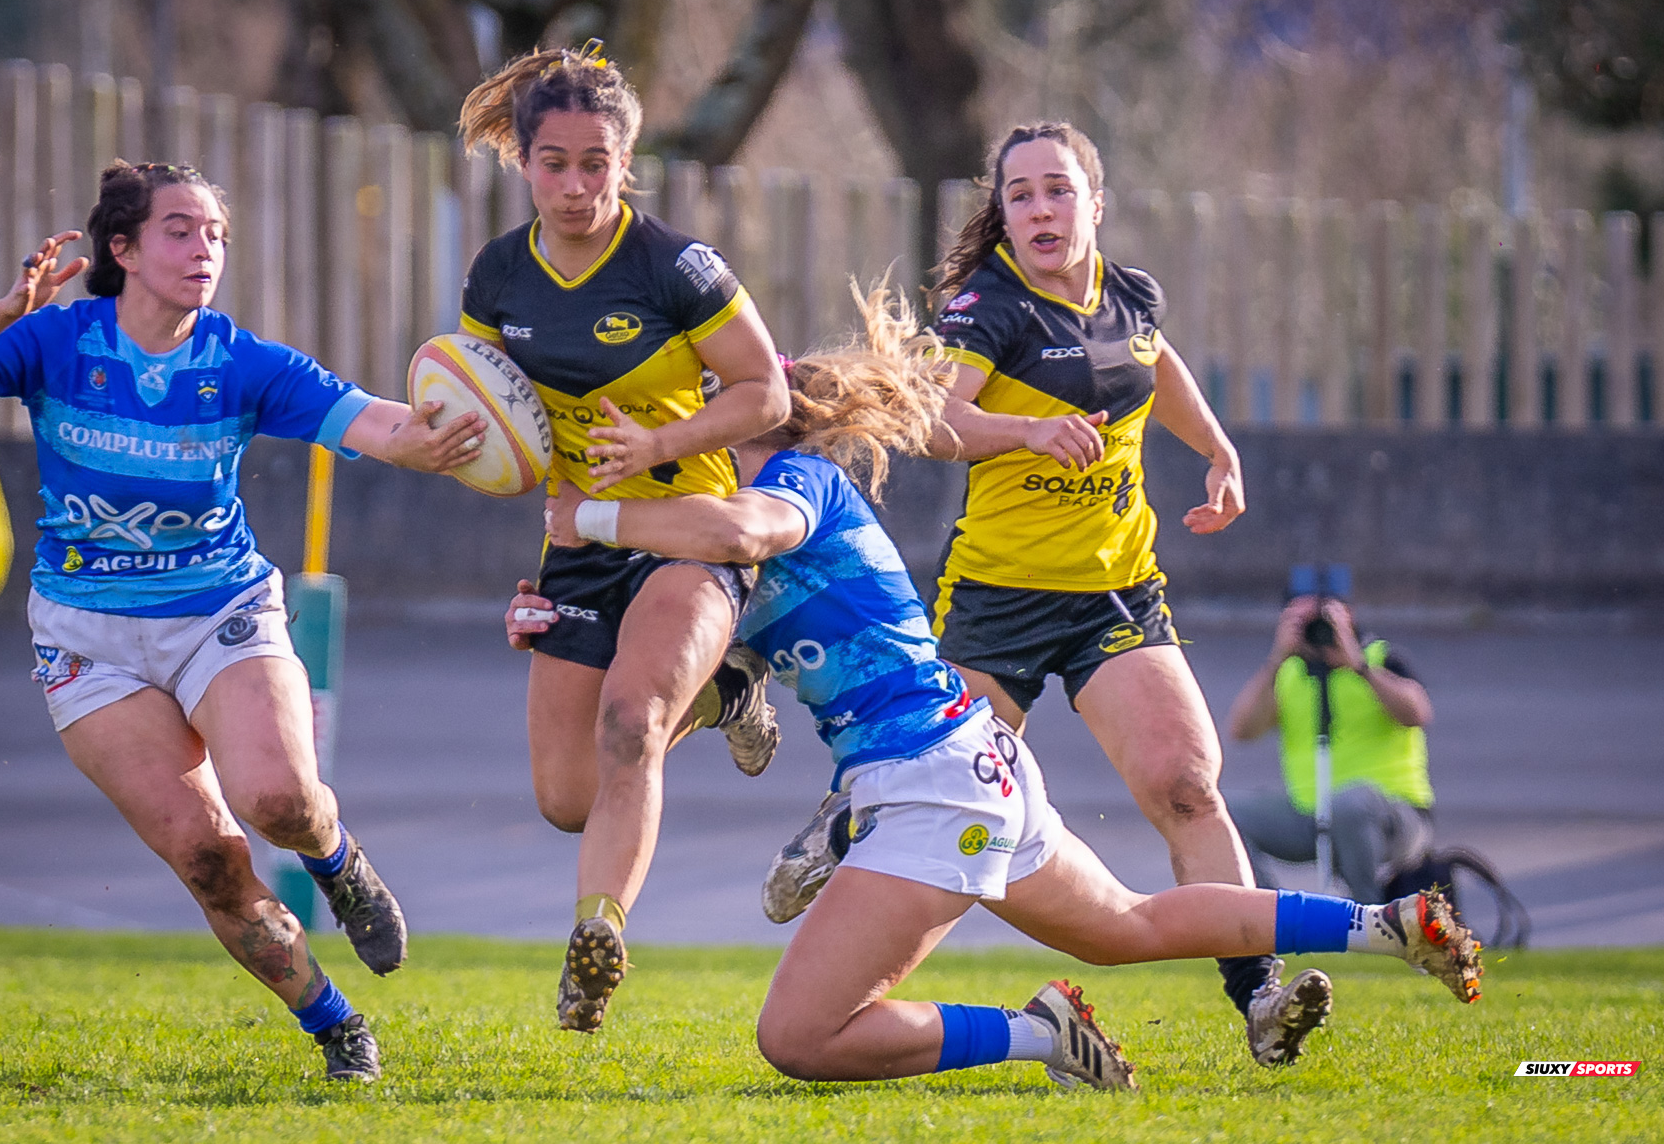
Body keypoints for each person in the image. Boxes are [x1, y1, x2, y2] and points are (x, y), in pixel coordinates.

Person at [510, 292, 1482, 1088]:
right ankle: (1387, 923)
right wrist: (560, 629)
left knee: (798, 1034)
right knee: (1130, 925)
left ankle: (1038, 1033)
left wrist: (590, 517)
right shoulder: (725, 517)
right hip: (970, 760)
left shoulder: (798, 483)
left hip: (933, 784)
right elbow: (672, 693)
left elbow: (738, 533)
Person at [0, 161, 484, 1082]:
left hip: (220, 612)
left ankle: (337, 859)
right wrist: (9, 307)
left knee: (279, 803)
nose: (204, 249)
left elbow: (377, 426)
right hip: (88, 640)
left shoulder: (241, 360)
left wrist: (443, 439)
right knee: (211, 859)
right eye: (180, 229)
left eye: (215, 232)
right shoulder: (54, 342)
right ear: (123, 249)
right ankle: (337, 1027)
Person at [919, 120, 1318, 1065]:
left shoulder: (1129, 294)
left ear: (1095, 201)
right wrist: (1027, 434)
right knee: (943, 810)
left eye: (1058, 189)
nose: (1040, 208)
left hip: (1117, 595)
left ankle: (1259, 993)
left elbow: (1155, 361)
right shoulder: (989, 308)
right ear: (1003, 213)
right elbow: (934, 421)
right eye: (1020, 195)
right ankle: (843, 852)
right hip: (998, 595)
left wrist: (1217, 449)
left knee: (1188, 786)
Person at [455, 42, 791, 1032]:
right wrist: (453, 442)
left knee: (632, 722)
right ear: (522, 159)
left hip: (690, 528)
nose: (573, 184)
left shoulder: (674, 265)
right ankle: (730, 686)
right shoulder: (496, 277)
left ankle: (595, 938)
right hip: (581, 541)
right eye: (554, 162)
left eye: (594, 162)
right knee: (567, 794)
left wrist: (664, 436)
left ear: (625, 159)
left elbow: (766, 389)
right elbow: (493, 417)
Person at [1225, 591, 1436, 903]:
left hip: (1393, 816)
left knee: (1350, 804)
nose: (1317, 632)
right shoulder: (1289, 673)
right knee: (1219, 813)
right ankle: (1269, 917)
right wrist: (1277, 659)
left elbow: (1417, 713)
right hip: (1311, 817)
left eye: (1323, 621)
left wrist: (1358, 665)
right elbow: (1242, 730)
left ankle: (1370, 921)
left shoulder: (1382, 659)